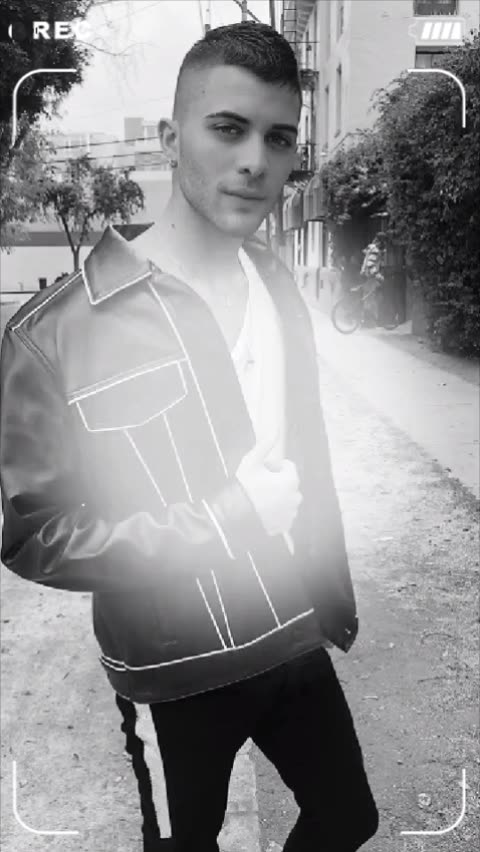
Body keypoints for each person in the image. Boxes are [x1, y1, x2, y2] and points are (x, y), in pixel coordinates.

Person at [0, 23, 378, 852]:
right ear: (172, 138)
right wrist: (224, 517)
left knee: (350, 817)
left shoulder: (278, 285)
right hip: (173, 673)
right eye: (228, 128)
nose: (255, 161)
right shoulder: (54, 333)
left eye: (279, 139)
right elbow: (35, 537)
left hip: (291, 629)